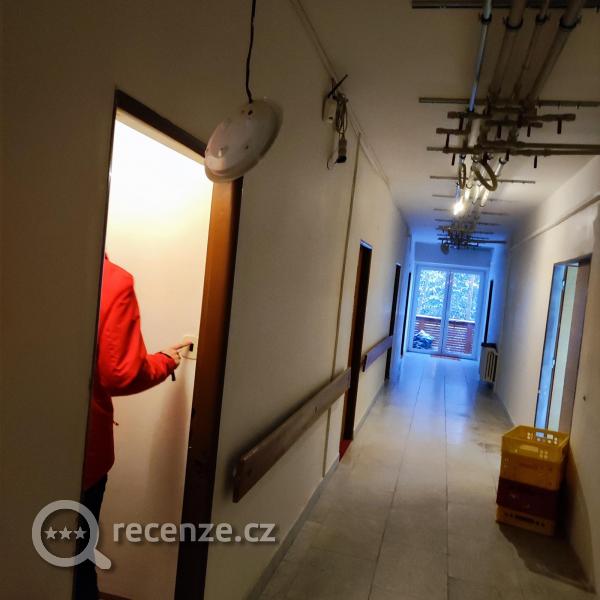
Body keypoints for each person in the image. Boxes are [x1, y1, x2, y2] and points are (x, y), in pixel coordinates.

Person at [75, 255, 188, 599]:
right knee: (74, 557)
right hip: (81, 454)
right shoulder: (111, 280)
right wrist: (164, 361)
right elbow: (120, 374)